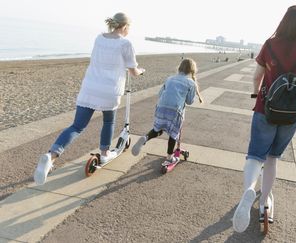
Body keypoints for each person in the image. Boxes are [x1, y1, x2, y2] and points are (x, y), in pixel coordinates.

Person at [232, 5, 296, 233]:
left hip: (266, 107)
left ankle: (249, 190)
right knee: (273, 158)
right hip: (292, 113)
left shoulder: (270, 44)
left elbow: (257, 77)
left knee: (255, 156)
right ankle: (264, 201)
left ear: (282, 22)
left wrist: (257, 95)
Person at [33, 12, 145, 185]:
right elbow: (133, 69)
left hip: (90, 87)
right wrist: (141, 71)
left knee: (77, 126)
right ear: (125, 26)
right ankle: (105, 153)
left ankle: (51, 156)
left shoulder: (99, 38)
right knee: (108, 122)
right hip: (109, 90)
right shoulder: (126, 43)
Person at [131, 58, 203, 164]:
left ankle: (145, 138)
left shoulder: (170, 78)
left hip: (161, 107)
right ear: (192, 70)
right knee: (173, 134)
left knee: (157, 129)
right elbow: (189, 101)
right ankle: (169, 157)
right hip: (175, 111)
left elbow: (160, 94)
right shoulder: (191, 83)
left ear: (179, 68)